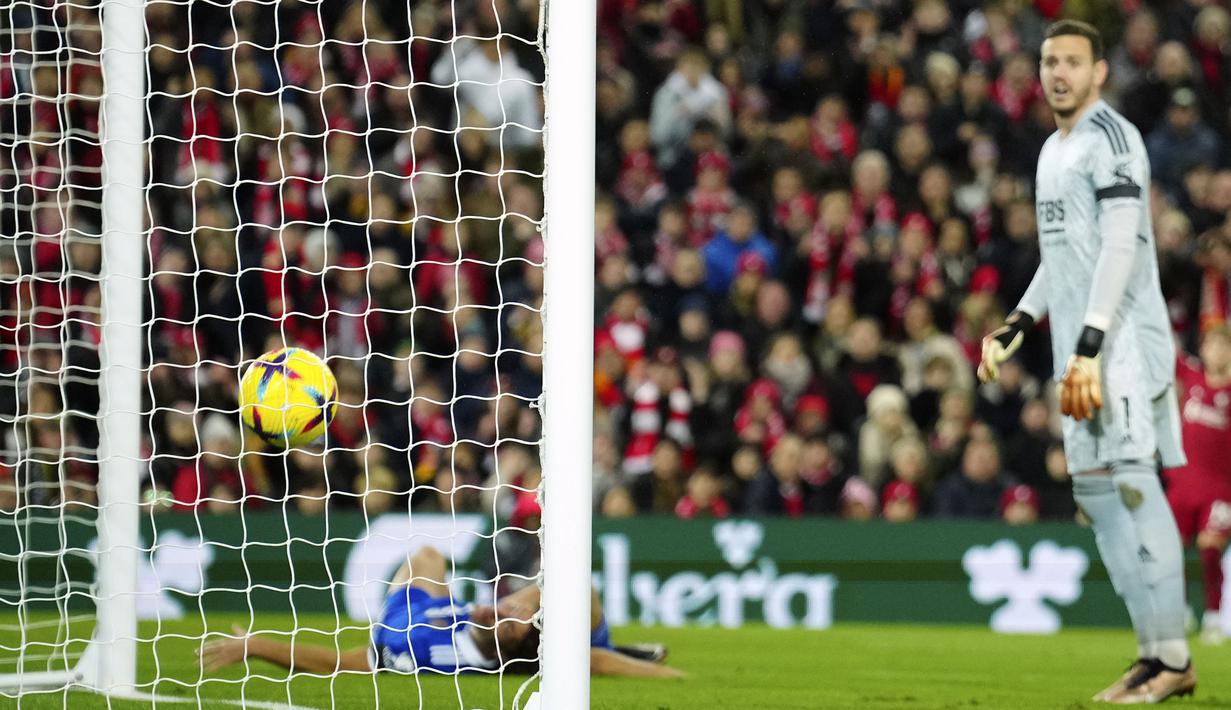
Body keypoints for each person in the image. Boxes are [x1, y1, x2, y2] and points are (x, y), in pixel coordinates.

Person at [978, 20, 1196, 703]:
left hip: (1121, 345)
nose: (1057, 73)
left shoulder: (1112, 139)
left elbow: (1119, 246)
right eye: (1048, 61)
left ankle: (1173, 658)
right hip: (1080, 349)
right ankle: (1149, 650)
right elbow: (1062, 254)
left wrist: (1093, 343)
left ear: (1098, 71)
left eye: (1072, 61)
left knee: (1134, 485)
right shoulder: (1051, 150)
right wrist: (1019, 320)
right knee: (1096, 496)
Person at [200, 547, 684, 679]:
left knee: (567, 585)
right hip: (428, 605)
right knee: (430, 555)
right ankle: (586, 639)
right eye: (508, 611)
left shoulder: (427, 657)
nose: (501, 611)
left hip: (408, 611)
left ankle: (585, 645)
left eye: (506, 621)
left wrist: (255, 646)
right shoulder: (478, 622)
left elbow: (335, 663)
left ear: (507, 650)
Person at [1168, 325, 1231, 645]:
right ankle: (1180, 611)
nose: (1216, 352)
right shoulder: (1191, 378)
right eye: (1211, 345)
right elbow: (1167, 347)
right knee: (1172, 553)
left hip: (1220, 488)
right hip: (1182, 484)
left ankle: (1214, 616)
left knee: (1209, 550)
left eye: (1223, 346)